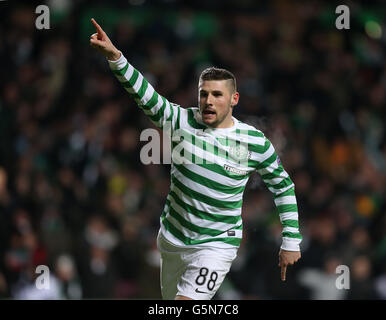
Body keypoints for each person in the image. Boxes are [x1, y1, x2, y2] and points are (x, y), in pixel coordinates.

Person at [89, 18, 302, 300]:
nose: (209, 101)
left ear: (234, 99)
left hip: (216, 244)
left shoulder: (254, 142)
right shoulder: (181, 121)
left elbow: (282, 186)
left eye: (217, 95)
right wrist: (117, 58)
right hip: (173, 239)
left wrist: (291, 239)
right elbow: (146, 96)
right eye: (204, 94)